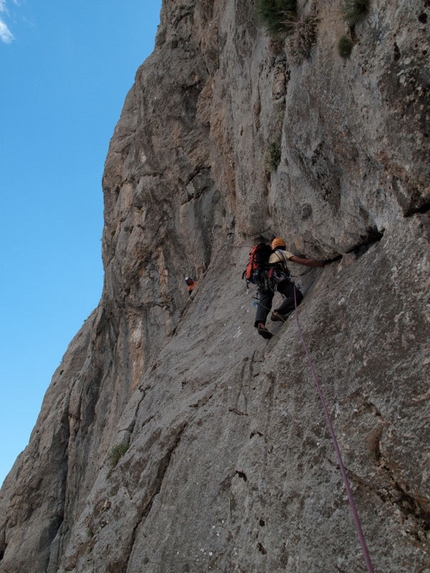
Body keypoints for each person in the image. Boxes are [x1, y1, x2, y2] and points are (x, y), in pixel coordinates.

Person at [255, 237, 326, 339]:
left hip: (262, 280)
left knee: (265, 300)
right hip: (276, 278)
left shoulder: (265, 258)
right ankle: (278, 312)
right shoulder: (281, 253)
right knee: (296, 295)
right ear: (283, 246)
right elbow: (304, 262)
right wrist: (321, 264)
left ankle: (260, 323)